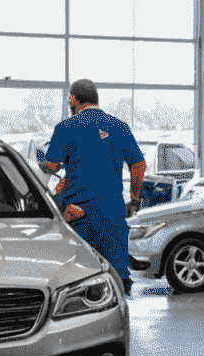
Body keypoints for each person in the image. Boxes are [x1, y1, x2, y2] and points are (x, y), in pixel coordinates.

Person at [41, 80, 145, 293]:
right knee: (117, 278)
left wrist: (42, 163)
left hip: (78, 214)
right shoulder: (119, 126)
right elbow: (139, 165)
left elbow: (52, 165)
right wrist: (135, 197)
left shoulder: (65, 128)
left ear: (73, 100)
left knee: (77, 279)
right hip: (112, 212)